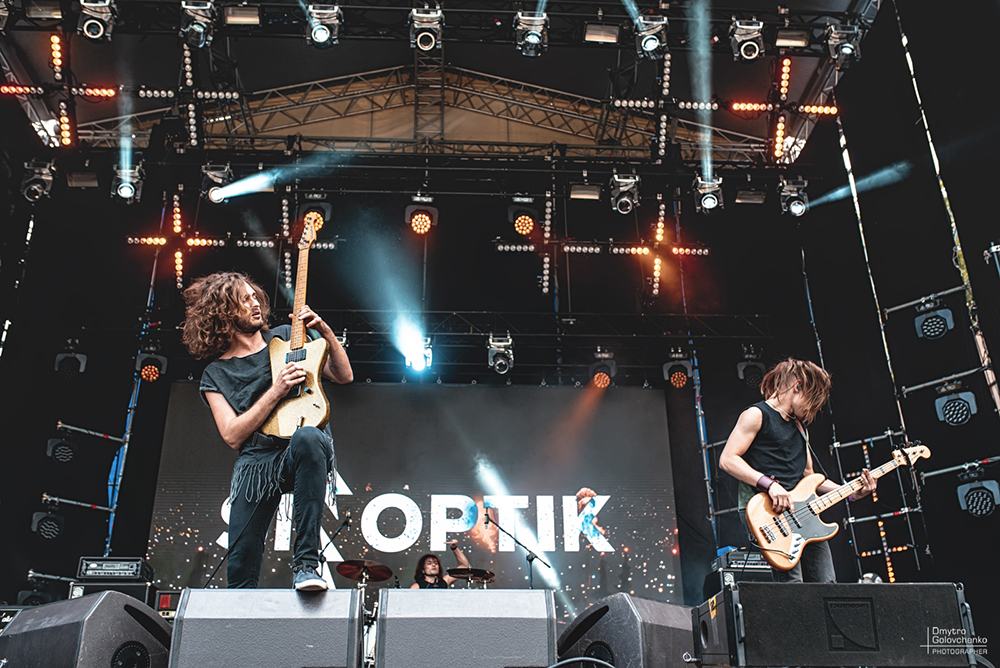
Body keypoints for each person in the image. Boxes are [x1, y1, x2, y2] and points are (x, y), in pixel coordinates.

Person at [181, 271, 353, 591]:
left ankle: (306, 566)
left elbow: (343, 376)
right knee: (240, 567)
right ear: (223, 311)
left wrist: (325, 331)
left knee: (310, 437)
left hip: (297, 449)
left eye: (254, 296)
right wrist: (276, 390)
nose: (255, 303)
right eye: (244, 300)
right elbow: (232, 435)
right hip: (256, 462)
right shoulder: (215, 374)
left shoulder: (288, 337)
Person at [718, 358, 876, 583]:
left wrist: (851, 492)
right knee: (793, 585)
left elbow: (810, 477)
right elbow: (728, 459)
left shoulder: (800, 428)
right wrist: (770, 485)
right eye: (812, 400)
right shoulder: (756, 415)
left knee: (827, 583)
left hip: (803, 512)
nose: (813, 409)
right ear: (797, 386)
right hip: (767, 510)